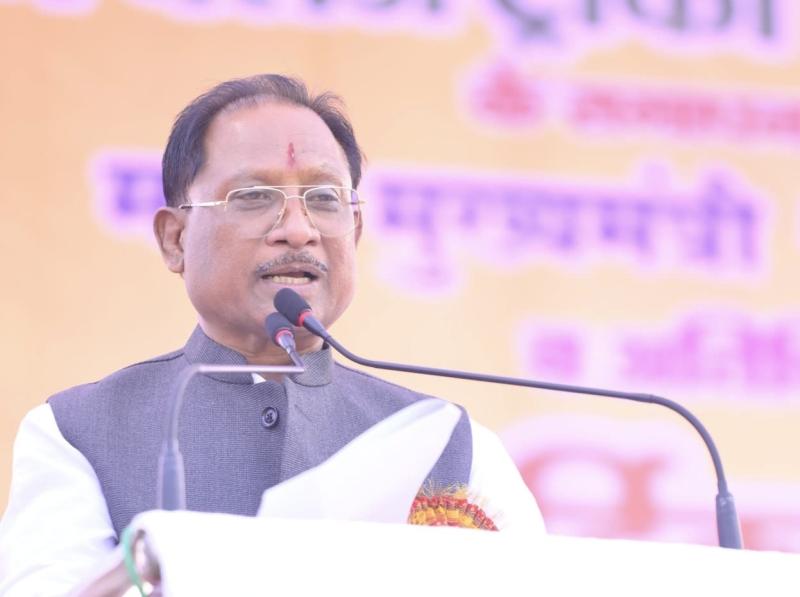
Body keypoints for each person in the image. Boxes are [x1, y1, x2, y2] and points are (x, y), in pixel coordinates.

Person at [0, 74, 544, 595]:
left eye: (325, 199)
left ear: (355, 231)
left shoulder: (452, 442)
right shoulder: (79, 431)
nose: (299, 230)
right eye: (254, 196)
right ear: (175, 240)